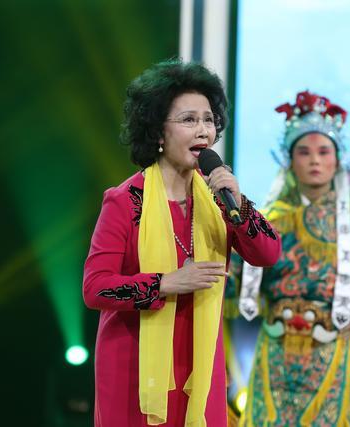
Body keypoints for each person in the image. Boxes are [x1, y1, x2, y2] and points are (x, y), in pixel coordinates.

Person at [83, 59, 281, 427]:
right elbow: (95, 288)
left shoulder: (220, 198)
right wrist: (165, 283)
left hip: (200, 369)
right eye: (188, 120)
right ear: (158, 132)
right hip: (135, 370)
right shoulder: (125, 201)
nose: (203, 130)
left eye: (208, 120)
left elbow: (268, 253)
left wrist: (239, 203)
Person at [226, 91, 350, 426]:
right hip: (275, 350)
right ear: (289, 161)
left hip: (333, 351)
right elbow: (231, 277)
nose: (314, 161)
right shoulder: (265, 222)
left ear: (338, 160)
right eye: (303, 152)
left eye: (323, 152)